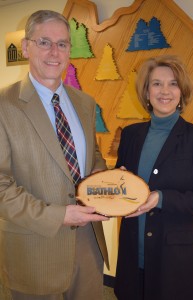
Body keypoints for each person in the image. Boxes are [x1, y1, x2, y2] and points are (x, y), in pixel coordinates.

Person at [0, 10, 109, 300]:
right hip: (34, 251)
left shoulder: (85, 102)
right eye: (44, 42)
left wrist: (100, 175)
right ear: (26, 47)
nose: (54, 52)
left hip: (88, 245)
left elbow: (93, 154)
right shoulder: (3, 105)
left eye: (62, 44)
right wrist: (58, 215)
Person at [114, 54, 193, 300]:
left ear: (182, 92)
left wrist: (160, 198)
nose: (164, 91)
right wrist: (116, 183)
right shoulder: (130, 134)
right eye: (156, 83)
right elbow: (121, 187)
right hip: (132, 251)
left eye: (173, 83)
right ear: (146, 92)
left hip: (175, 258)